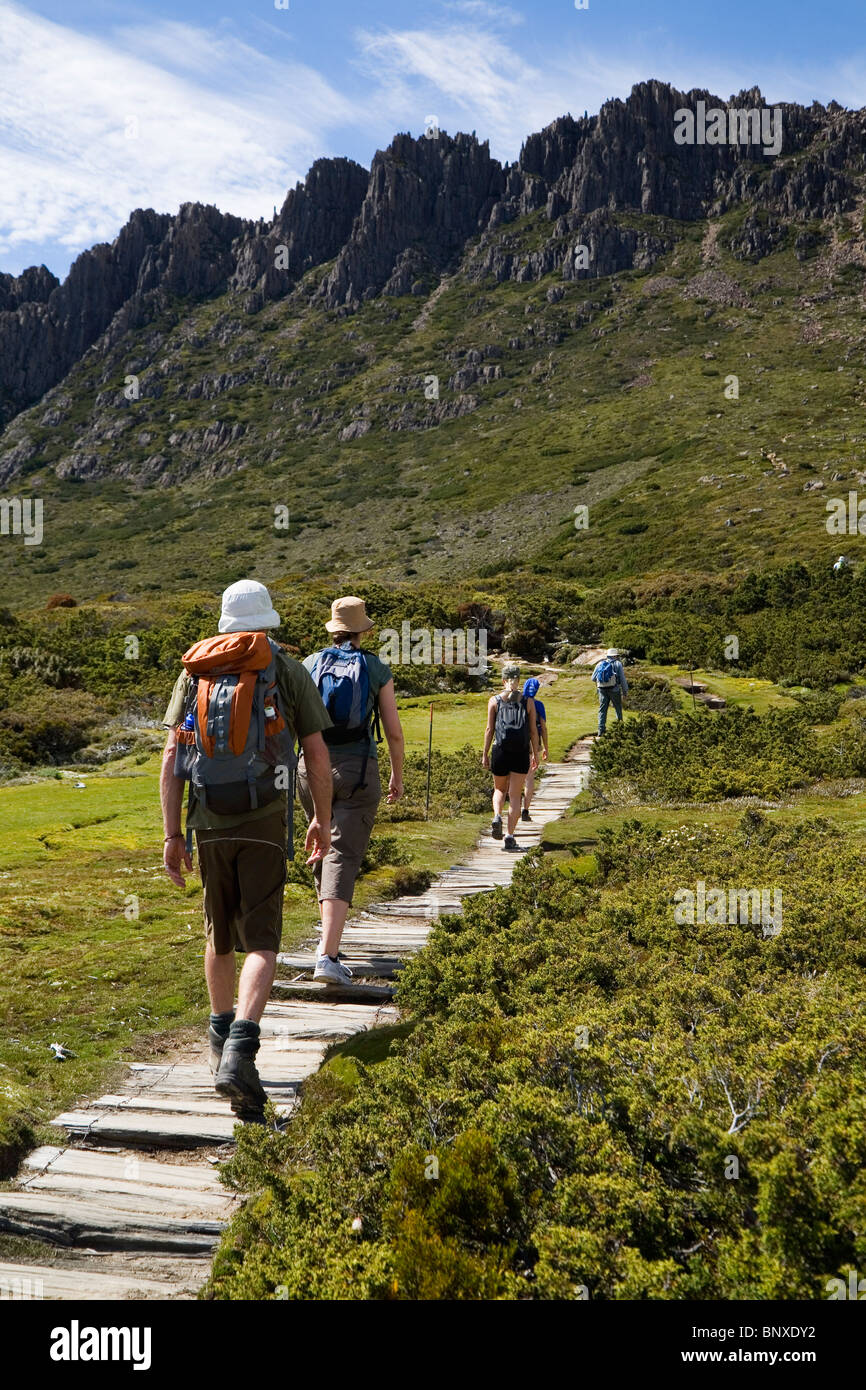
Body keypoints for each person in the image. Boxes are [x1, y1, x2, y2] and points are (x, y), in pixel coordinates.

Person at [160, 579, 333, 1125]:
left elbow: (171, 757)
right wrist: (321, 818)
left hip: (207, 818)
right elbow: (316, 752)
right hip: (262, 817)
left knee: (219, 932)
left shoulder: (196, 671)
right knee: (261, 938)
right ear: (267, 620)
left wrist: (171, 833)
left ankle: (218, 1039)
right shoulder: (285, 667)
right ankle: (242, 1048)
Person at [299, 596, 405, 985]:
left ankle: (329, 943)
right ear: (363, 631)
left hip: (309, 769)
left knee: (320, 845)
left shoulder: (309, 665)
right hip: (357, 770)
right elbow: (392, 730)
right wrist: (397, 774)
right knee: (342, 852)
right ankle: (327, 955)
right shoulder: (375, 668)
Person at [482, 662, 540, 851]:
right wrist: (536, 753)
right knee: (515, 795)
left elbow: (490, 729)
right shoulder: (528, 702)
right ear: (518, 680)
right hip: (521, 752)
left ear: (503, 680)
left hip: (500, 750)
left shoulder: (495, 700)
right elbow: (533, 731)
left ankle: (497, 815)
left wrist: (485, 754)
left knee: (499, 790)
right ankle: (509, 836)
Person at [520, 676, 548, 821]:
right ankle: (525, 810)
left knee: (514, 777)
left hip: (517, 742)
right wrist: (545, 748)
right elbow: (543, 728)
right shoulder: (539, 705)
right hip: (533, 743)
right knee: (529, 779)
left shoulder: (516, 702)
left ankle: (513, 805)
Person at [592, 647, 629, 735]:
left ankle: (601, 730)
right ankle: (619, 729)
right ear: (615, 656)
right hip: (614, 689)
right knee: (618, 708)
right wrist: (625, 691)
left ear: (608, 655)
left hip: (602, 690)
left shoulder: (599, 664)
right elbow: (622, 679)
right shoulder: (618, 664)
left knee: (602, 709)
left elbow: (593, 678)